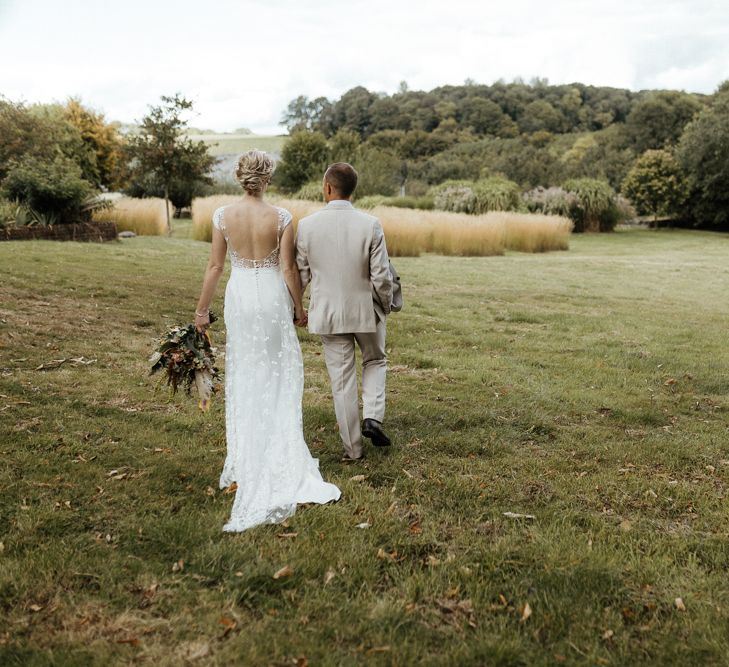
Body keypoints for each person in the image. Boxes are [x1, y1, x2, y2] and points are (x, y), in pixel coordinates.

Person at [194, 150, 341, 532]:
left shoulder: (222, 216)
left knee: (247, 370)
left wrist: (200, 311)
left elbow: (215, 266)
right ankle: (275, 454)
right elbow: (288, 268)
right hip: (272, 298)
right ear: (267, 178)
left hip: (241, 296)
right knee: (277, 373)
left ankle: (247, 459)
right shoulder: (281, 217)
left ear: (239, 177)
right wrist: (298, 306)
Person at [296, 163, 393, 461]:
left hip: (328, 313)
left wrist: (296, 307)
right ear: (353, 190)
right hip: (366, 309)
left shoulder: (306, 226)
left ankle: (353, 450)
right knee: (375, 360)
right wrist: (384, 305)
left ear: (327, 187)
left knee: (341, 381)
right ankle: (373, 417)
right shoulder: (371, 224)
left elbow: (300, 274)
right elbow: (382, 276)